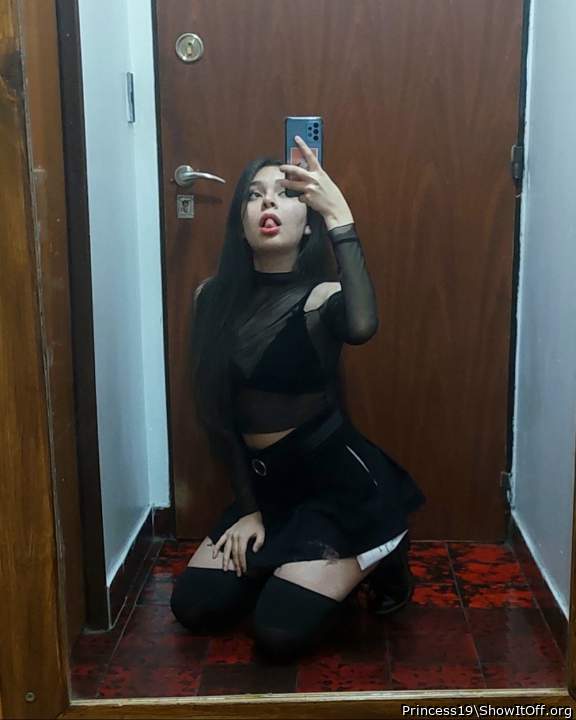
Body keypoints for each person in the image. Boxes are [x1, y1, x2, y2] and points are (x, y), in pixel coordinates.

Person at [170, 135, 426, 661]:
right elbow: (216, 416)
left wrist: (338, 214)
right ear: (240, 222)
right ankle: (288, 565)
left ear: (305, 223)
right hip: (269, 491)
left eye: (285, 194)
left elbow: (362, 326)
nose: (268, 201)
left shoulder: (322, 299)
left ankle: (385, 553)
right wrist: (248, 511)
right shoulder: (210, 299)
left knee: (279, 633)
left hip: (341, 491)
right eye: (254, 194)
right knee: (195, 606)